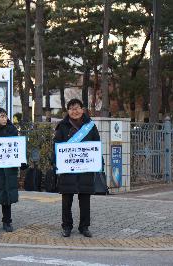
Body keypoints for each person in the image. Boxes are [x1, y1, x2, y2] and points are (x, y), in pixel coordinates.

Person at [53, 98, 100, 238]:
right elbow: (56, 146)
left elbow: (96, 145)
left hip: (85, 169)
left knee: (85, 199)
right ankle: (67, 226)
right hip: (67, 170)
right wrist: (56, 162)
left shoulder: (90, 126)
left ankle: (84, 227)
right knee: (67, 200)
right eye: (72, 108)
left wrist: (97, 163)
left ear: (82, 109)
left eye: (77, 108)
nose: (75, 111)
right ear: (68, 111)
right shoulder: (62, 126)